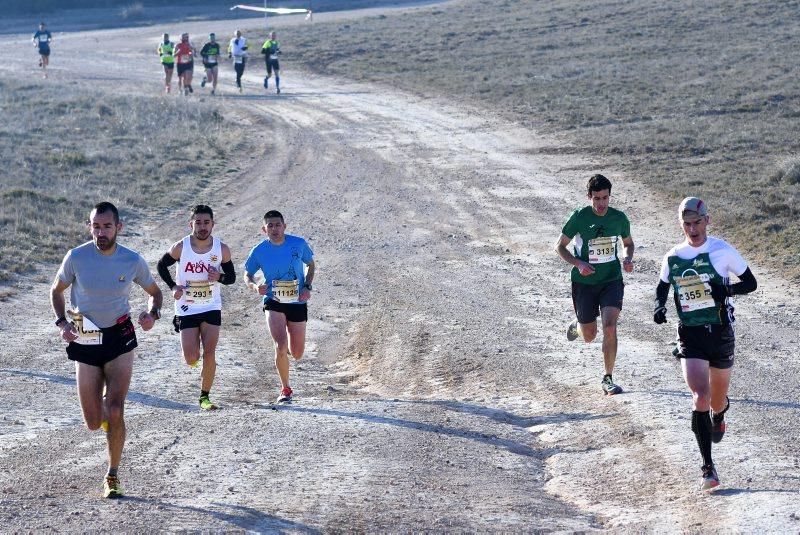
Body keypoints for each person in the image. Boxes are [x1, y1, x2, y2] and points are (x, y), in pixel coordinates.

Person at [50, 202, 163, 499]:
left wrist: (152, 315)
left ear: (118, 227)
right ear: (89, 226)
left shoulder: (131, 260)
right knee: (92, 422)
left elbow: (155, 293)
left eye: (107, 226)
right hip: (85, 338)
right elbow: (56, 290)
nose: (100, 232)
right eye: (95, 226)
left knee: (115, 409)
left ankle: (112, 475)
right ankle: (104, 410)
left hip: (119, 337)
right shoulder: (76, 257)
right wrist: (62, 322)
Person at [653, 197, 757, 491]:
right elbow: (662, 287)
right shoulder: (673, 255)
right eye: (686, 224)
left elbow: (751, 283)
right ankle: (708, 468)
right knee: (699, 395)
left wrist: (725, 289)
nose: (692, 229)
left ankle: (720, 414)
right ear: (681, 224)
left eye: (697, 222)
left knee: (716, 399)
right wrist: (658, 308)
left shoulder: (722, 251)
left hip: (721, 332)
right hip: (690, 334)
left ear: (707, 221)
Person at [555, 174, 635, 395]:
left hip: (611, 280)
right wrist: (578, 263)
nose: (601, 204)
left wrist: (627, 258)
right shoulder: (579, 217)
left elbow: (628, 243)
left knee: (610, 326)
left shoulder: (619, 218)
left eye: (605, 198)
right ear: (589, 196)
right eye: (597, 198)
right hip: (584, 282)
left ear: (610, 196)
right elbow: (560, 247)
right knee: (589, 336)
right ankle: (579, 325)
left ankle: (608, 378)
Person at [156, 205, 235, 410]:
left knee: (210, 353)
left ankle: (204, 397)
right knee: (191, 357)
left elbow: (232, 278)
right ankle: (196, 361)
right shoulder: (181, 247)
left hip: (211, 306)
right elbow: (161, 265)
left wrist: (219, 277)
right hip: (186, 307)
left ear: (212, 224)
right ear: (191, 224)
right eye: (198, 223)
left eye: (206, 222)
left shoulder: (221, 249)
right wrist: (173, 286)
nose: (202, 227)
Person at [244, 211, 315, 403]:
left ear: (284, 226)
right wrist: (254, 286)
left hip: (297, 301)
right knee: (280, 345)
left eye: (277, 225)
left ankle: (290, 351)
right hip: (273, 301)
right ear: (264, 229)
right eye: (270, 226)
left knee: (297, 353)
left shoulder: (298, 244)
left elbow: (310, 264)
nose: (274, 229)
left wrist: (307, 286)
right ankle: (285, 389)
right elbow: (247, 274)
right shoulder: (259, 250)